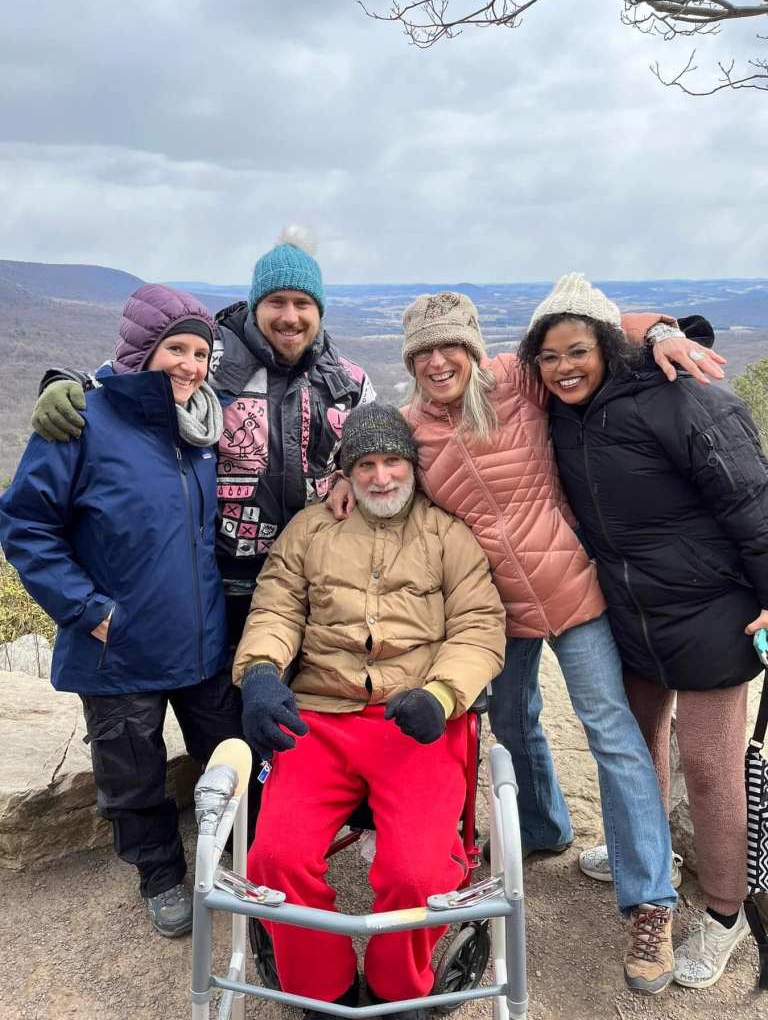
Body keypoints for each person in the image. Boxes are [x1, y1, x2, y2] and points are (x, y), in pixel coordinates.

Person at [327, 290, 724, 994]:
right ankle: (541, 829)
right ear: (410, 362)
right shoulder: (412, 428)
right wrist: (338, 478)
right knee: (511, 726)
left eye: (450, 346)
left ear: (473, 349)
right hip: (491, 611)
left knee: (612, 733)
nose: (438, 362)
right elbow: (374, 458)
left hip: (574, 588)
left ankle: (650, 902)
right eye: (423, 352)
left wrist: (661, 330)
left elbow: (595, 327)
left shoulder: (517, 380)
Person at [517, 272, 760, 989]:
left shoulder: (683, 397)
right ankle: (647, 858)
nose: (564, 367)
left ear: (606, 345)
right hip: (628, 613)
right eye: (549, 356)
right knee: (635, 745)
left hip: (711, 611)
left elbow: (753, 501)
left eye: (577, 351)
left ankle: (726, 914)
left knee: (710, 770)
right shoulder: (563, 413)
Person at [232, 403, 506, 1019]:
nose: (381, 478)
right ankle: (319, 988)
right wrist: (261, 672)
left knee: (418, 872)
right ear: (346, 473)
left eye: (392, 462)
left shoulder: (447, 535)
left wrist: (442, 694)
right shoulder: (310, 530)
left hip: (415, 721)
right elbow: (276, 608)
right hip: (319, 716)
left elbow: (480, 626)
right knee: (273, 858)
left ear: (411, 466)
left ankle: (395, 990)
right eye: (366, 466)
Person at [0, 284, 243, 938]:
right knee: (131, 774)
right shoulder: (83, 422)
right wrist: (89, 610)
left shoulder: (203, 424)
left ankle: (236, 853)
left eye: (201, 353)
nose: (191, 365)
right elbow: (25, 525)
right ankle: (159, 873)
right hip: (117, 644)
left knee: (229, 751)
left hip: (200, 640)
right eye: (176, 349)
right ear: (141, 349)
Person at [27, 227, 375, 649]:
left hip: (311, 579)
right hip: (214, 583)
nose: (290, 316)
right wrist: (66, 382)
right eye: (276, 302)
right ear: (256, 304)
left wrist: (347, 477)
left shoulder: (348, 380)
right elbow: (130, 376)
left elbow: (375, 451)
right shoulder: (210, 356)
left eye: (302, 303)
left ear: (320, 309)